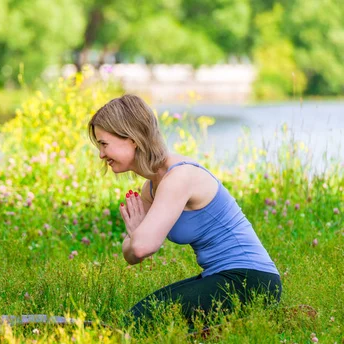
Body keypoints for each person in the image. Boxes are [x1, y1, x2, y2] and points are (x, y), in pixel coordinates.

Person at [88, 94, 282, 327]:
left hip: (251, 280)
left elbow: (140, 247)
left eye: (104, 144)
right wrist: (135, 236)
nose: (101, 154)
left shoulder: (179, 177)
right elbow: (133, 256)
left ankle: (259, 322)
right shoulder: (151, 187)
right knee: (138, 316)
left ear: (132, 139)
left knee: (140, 321)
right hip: (221, 276)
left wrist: (135, 236)